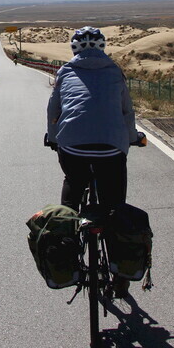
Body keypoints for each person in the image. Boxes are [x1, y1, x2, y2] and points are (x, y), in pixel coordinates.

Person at [46, 26, 136, 212]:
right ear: (102, 47)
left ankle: (68, 231)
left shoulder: (65, 71)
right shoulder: (115, 71)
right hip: (111, 149)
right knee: (114, 203)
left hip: (72, 147)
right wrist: (133, 137)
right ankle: (114, 225)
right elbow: (126, 111)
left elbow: (53, 110)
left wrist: (53, 138)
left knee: (74, 180)